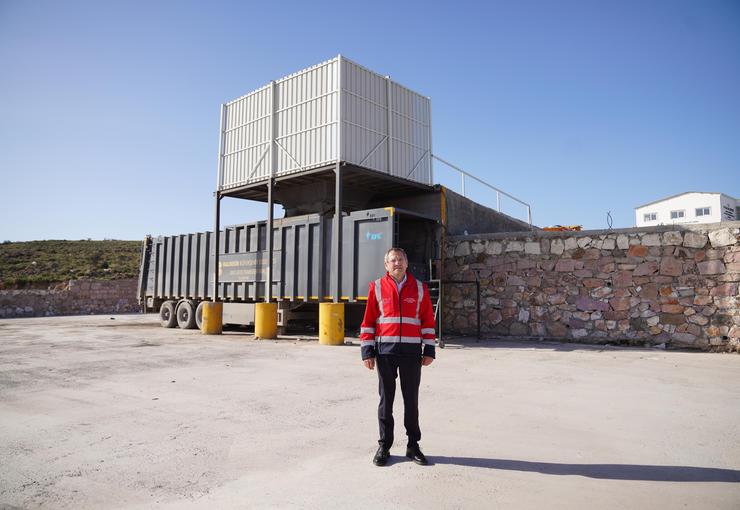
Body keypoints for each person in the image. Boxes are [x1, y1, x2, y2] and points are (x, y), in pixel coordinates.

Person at [360, 247, 436, 466]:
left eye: (401, 259)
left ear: (406, 262)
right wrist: (367, 351)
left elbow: (427, 321)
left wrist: (429, 349)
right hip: (385, 352)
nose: (397, 263)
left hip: (412, 353)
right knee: (386, 401)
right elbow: (368, 321)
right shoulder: (376, 287)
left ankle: (413, 445)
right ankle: (384, 445)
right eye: (393, 260)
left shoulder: (420, 288)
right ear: (386, 265)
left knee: (411, 401)